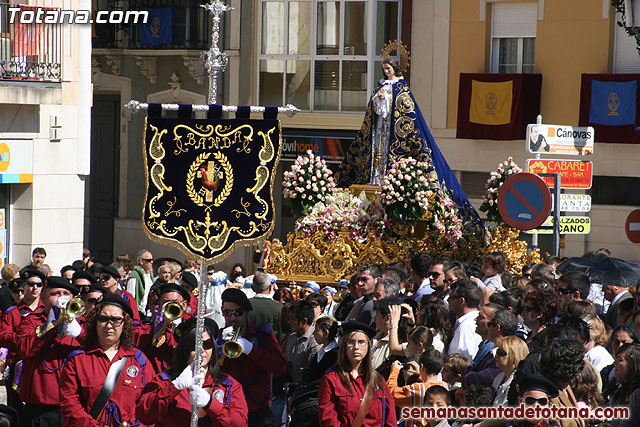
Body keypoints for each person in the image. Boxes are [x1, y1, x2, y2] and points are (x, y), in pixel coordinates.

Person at [334, 58, 482, 229]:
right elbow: (373, 110)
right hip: (379, 131)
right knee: (375, 162)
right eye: (384, 68)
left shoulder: (402, 88)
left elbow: (407, 111)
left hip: (394, 137)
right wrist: (378, 98)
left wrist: (387, 98)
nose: (387, 71)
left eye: (389, 68)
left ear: (395, 68)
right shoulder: (380, 86)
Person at [59, 294, 154, 426]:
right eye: (103, 319)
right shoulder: (77, 360)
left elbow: (149, 405)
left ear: (124, 323)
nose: (109, 325)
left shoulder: (139, 360)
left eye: (116, 319)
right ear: (95, 321)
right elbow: (70, 404)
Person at [137, 317, 248, 426]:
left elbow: (241, 423)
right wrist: (174, 387)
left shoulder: (228, 384)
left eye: (207, 344)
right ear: (184, 349)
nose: (201, 351)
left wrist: (210, 404)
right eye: (195, 346)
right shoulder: (164, 381)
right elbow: (144, 415)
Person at [15, 276, 83, 427]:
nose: (61, 298)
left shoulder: (81, 325)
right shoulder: (31, 321)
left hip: (74, 408)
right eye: (56, 293)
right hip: (41, 410)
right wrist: (51, 325)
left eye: (66, 293)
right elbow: (25, 349)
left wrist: (79, 333)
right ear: (43, 298)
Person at [217, 288, 286, 426]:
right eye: (227, 313)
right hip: (227, 407)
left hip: (257, 408)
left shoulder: (262, 335)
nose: (232, 318)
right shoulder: (217, 337)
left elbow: (280, 367)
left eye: (238, 313)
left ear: (247, 312)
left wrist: (251, 349)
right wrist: (219, 347)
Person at [317, 320, 396, 427]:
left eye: (361, 342)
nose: (356, 347)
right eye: (351, 342)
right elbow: (328, 420)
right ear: (344, 346)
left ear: (368, 346)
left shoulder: (378, 380)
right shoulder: (331, 380)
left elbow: (390, 419)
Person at [491, 336, 529, 406]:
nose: (496, 355)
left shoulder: (518, 383)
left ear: (514, 356)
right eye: (497, 351)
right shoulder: (499, 377)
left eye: (501, 353)